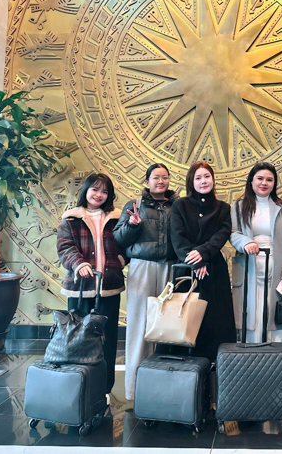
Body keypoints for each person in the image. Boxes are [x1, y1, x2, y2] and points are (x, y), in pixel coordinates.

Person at [57, 173, 125, 396]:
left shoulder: (116, 218)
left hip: (109, 289)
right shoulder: (71, 218)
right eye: (95, 189)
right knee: (77, 341)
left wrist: (119, 261)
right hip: (80, 289)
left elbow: (126, 245)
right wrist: (79, 264)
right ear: (85, 190)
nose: (99, 195)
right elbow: (65, 248)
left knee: (107, 340)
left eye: (104, 191)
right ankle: (78, 388)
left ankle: (104, 389)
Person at [113, 163, 178, 400]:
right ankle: (134, 389)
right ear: (147, 180)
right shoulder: (134, 205)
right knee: (139, 324)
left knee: (169, 326)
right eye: (156, 177)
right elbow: (118, 238)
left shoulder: (177, 206)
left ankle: (165, 388)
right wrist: (132, 225)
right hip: (142, 267)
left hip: (171, 267)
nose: (160, 181)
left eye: (165, 177)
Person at [169, 162, 236, 361]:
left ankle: (216, 370)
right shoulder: (180, 205)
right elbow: (177, 238)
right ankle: (186, 372)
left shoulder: (223, 208)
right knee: (185, 323)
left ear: (213, 179)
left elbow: (221, 235)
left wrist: (204, 253)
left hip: (214, 270)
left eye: (207, 176)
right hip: (186, 270)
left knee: (216, 323)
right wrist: (196, 262)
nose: (203, 181)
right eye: (198, 178)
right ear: (191, 182)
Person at [230, 162, 282, 343]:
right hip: (249, 267)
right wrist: (246, 242)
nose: (264, 183)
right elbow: (233, 233)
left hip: (277, 267)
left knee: (275, 314)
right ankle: (252, 356)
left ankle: (276, 357)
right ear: (251, 181)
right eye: (260, 178)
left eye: (269, 180)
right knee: (251, 313)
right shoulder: (239, 206)